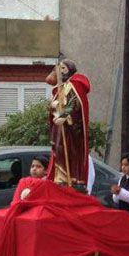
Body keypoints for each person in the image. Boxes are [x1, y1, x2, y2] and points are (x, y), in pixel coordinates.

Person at [45, 59, 91, 188]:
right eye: (59, 68)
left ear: (69, 70)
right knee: (58, 151)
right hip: (59, 127)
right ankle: (60, 177)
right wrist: (54, 112)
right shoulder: (60, 87)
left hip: (71, 129)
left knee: (70, 151)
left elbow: (75, 103)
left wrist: (64, 116)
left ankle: (71, 176)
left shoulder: (74, 84)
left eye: (63, 68)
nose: (60, 71)